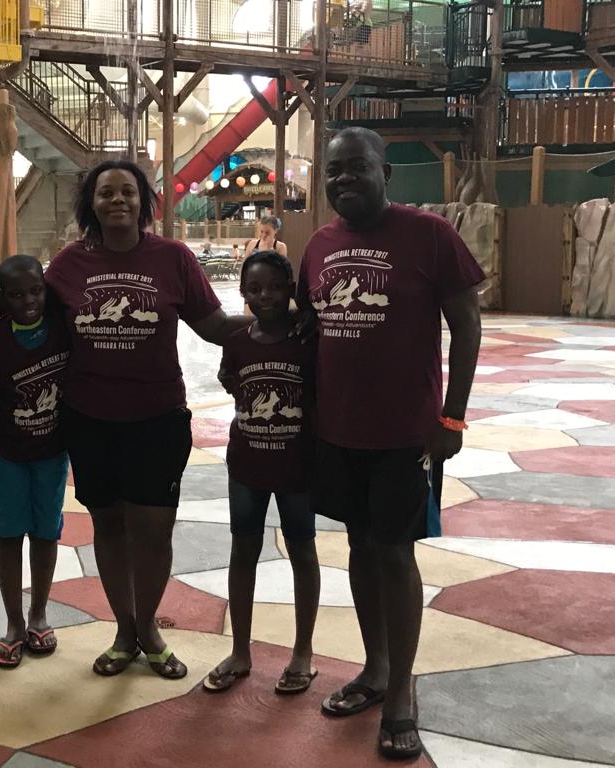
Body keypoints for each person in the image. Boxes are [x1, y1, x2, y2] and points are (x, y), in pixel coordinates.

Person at [298, 127, 483, 759]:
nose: (344, 179)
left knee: (395, 553)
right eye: (333, 171)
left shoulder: (429, 234)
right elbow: (308, 330)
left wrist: (452, 419)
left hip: (406, 434)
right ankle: (374, 669)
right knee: (359, 545)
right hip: (338, 431)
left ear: (386, 174)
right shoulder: (319, 245)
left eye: (357, 167)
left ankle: (400, 691)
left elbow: (466, 325)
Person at [46, 160, 249, 680]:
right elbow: (39, 333)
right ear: (91, 203)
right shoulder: (68, 265)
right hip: (89, 418)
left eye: (128, 192)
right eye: (106, 193)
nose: (118, 200)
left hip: (156, 418)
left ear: (143, 202)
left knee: (154, 530)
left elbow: (214, 326)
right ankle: (124, 631)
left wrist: (280, 322)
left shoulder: (173, 258)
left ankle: (149, 630)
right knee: (109, 525)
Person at [204, 250, 320, 695]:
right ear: (242, 293)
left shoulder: (308, 339)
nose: (264, 296)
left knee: (302, 551)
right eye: (254, 288)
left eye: (274, 287)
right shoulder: (237, 340)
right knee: (243, 552)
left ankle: (303, 652)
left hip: (297, 468)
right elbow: (230, 379)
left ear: (290, 289)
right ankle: (240, 651)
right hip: (247, 466)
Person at [0, 255, 70, 669]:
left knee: (46, 532)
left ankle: (39, 614)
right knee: (9, 533)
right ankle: (14, 623)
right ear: (4, 297)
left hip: (52, 453)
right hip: (6, 455)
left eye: (35, 291)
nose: (28, 301)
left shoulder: (63, 330)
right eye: (16, 295)